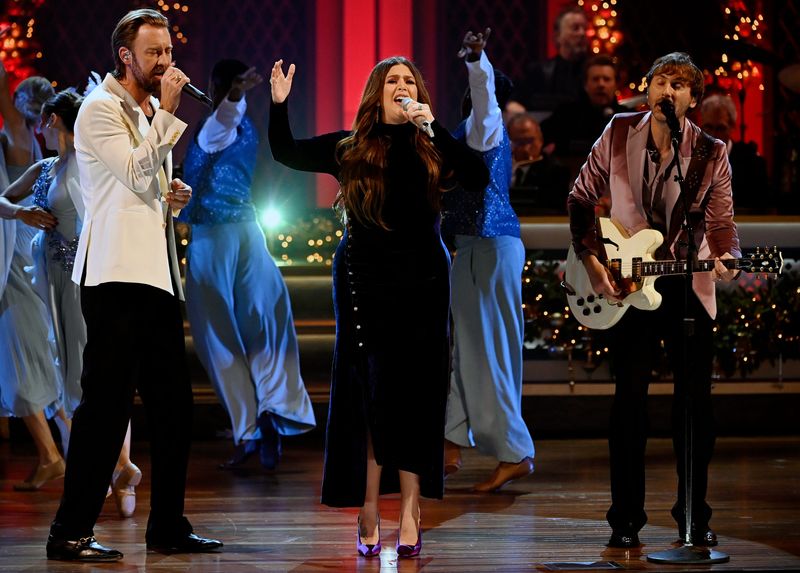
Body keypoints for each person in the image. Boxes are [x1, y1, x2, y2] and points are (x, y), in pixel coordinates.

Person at [269, 56, 488, 558]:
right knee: (370, 394)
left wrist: (433, 126)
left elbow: (477, 175)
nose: (402, 86)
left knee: (417, 394)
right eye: (393, 80)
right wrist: (279, 106)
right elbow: (287, 152)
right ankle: (368, 506)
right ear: (377, 91)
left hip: (424, 279)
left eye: (410, 80)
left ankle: (410, 508)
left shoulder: (431, 144)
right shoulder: (351, 146)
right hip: (364, 280)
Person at [46, 9, 222, 561]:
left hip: (155, 276)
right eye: (154, 53)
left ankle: (167, 525)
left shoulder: (145, 112)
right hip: (115, 277)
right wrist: (167, 114)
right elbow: (135, 172)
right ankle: (69, 531)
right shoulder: (99, 108)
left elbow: (146, 186)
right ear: (126, 56)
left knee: (174, 406)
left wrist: (173, 196)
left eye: (168, 51)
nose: (166, 62)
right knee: (105, 408)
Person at [567, 52, 740, 548]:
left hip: (685, 282)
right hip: (626, 280)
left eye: (679, 85)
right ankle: (624, 521)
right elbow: (581, 197)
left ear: (693, 99)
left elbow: (721, 221)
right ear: (647, 89)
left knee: (695, 407)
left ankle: (693, 516)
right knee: (629, 403)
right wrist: (593, 261)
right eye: (661, 81)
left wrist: (727, 256)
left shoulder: (710, 151)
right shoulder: (619, 131)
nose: (668, 91)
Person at [0, 90, 141, 517]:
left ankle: (120, 465)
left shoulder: (92, 164)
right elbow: (3, 200)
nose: (39, 129)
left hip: (88, 281)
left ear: (53, 120)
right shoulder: (44, 168)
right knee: (70, 375)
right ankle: (109, 469)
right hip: (53, 281)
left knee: (93, 373)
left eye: (43, 122)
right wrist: (21, 214)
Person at [180, 59, 315, 470]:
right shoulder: (243, 127)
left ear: (212, 86)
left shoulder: (214, 125)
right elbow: (230, 117)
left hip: (214, 238)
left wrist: (235, 94)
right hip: (247, 231)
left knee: (218, 335)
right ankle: (270, 409)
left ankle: (251, 428)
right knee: (265, 321)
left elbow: (225, 118)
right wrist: (237, 97)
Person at [440, 29, 535, 492]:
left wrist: (478, 65)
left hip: (489, 245)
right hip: (475, 247)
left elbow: (483, 103)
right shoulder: (466, 135)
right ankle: (450, 438)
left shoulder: (483, 129)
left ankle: (514, 452)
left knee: (489, 351)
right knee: (468, 348)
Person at [0, 58, 67, 492]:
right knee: (29, 361)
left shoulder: (20, 136)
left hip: (15, 258)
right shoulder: (28, 142)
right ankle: (55, 455)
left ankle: (53, 456)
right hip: (20, 252)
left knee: (22, 361)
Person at [541, 55, 628, 181]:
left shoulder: (627, 117)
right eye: (595, 79)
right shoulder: (566, 114)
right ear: (586, 84)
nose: (601, 84)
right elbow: (540, 137)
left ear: (615, 84)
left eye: (606, 79)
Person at [507, 4, 589, 114]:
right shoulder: (540, 71)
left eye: (585, 28)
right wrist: (514, 106)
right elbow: (515, 100)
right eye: (575, 28)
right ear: (558, 36)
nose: (582, 33)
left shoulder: (593, 71)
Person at [699, 93, 770, 212]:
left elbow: (762, 209)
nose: (713, 135)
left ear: (732, 127)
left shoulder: (753, 163)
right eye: (708, 127)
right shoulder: (690, 160)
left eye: (720, 128)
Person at [506, 112, 571, 214]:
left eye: (530, 141)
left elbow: (554, 211)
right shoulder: (500, 168)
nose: (526, 149)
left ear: (541, 140)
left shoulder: (557, 171)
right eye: (519, 142)